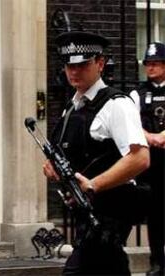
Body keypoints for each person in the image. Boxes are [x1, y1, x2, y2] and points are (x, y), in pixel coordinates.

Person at [43, 31, 150, 275]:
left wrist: (92, 185)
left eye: (82, 64)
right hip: (87, 214)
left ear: (100, 63)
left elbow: (140, 158)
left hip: (110, 213)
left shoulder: (116, 105)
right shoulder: (73, 106)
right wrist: (53, 167)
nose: (74, 71)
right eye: (70, 65)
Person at [129, 42, 165, 276]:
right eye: (148, 64)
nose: (150, 67)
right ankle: (157, 262)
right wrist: (152, 137)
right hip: (151, 163)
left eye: (155, 63)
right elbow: (131, 124)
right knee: (156, 214)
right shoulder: (137, 93)